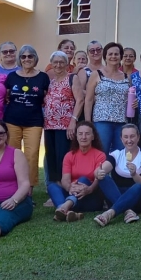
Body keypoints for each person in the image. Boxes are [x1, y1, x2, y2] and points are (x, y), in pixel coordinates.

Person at [4, 44, 50, 191]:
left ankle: (28, 189)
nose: (26, 59)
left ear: (35, 58)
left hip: (34, 122)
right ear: (20, 59)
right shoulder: (12, 77)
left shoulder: (43, 77)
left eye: (30, 56)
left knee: (31, 155)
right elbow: (6, 96)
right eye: (23, 56)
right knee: (12, 155)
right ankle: (13, 187)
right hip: (12, 121)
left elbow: (47, 98)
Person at [93, 124, 141, 226]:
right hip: (118, 196)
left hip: (140, 201)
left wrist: (135, 174)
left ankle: (110, 214)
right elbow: (99, 170)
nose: (129, 140)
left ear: (138, 137)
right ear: (121, 139)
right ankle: (127, 211)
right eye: (125, 137)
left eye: (132, 136)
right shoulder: (116, 154)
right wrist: (98, 173)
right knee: (102, 177)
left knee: (138, 186)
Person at [47, 121, 107, 221]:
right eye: (80, 134)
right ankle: (70, 212)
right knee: (52, 186)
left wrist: (89, 189)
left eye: (87, 134)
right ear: (76, 136)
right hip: (73, 193)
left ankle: (63, 208)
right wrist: (69, 187)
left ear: (93, 136)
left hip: (91, 197)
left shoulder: (100, 155)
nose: (83, 137)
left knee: (83, 179)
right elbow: (65, 179)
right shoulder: (69, 155)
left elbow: (98, 180)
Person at [43, 51, 81, 189]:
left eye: (61, 62)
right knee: (51, 157)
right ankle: (56, 188)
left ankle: (66, 187)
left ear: (66, 64)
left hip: (65, 126)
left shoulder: (72, 78)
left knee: (63, 157)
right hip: (49, 126)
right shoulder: (51, 82)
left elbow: (80, 100)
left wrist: (73, 121)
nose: (58, 65)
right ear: (51, 64)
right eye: (55, 62)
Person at [85, 42, 130, 154]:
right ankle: (101, 173)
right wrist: (88, 123)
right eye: (110, 54)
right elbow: (89, 100)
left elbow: (129, 99)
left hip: (121, 122)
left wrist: (134, 103)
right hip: (102, 121)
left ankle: (116, 173)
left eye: (116, 54)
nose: (113, 56)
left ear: (120, 56)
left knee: (119, 156)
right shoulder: (96, 74)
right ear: (105, 56)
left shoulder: (126, 77)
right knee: (101, 154)